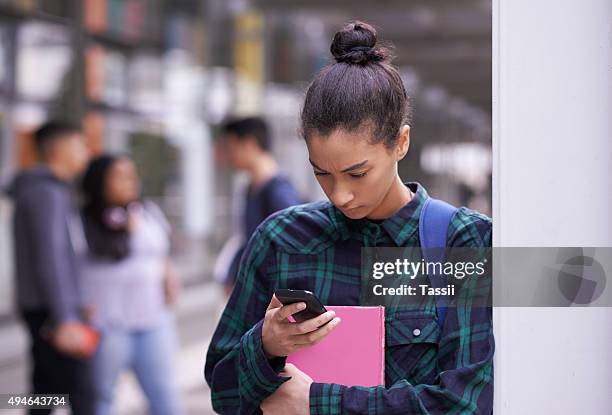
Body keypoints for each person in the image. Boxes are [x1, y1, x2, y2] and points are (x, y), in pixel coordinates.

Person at [205, 21, 493, 414]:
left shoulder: (464, 242)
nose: (340, 195)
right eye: (321, 173)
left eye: (357, 173)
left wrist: (318, 403)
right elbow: (222, 394)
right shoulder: (281, 239)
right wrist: (265, 345)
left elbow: (467, 403)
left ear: (401, 143)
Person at [78, 154, 182, 415]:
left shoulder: (148, 213)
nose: (130, 182)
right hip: (107, 325)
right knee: (100, 399)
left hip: (154, 321)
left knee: (166, 397)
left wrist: (169, 277)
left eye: (132, 175)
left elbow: (161, 253)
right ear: (99, 181)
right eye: (120, 176)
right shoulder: (82, 221)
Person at [7, 121, 94, 414]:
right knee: (83, 393)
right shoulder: (46, 193)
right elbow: (50, 257)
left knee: (46, 391)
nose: (86, 152)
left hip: (47, 309)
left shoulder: (50, 190)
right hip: (52, 312)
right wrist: (66, 318)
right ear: (60, 148)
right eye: (80, 144)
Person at [220, 117, 303, 295]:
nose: (229, 155)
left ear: (249, 144)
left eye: (231, 147)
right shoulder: (251, 188)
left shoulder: (279, 192)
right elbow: (249, 240)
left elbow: (295, 246)